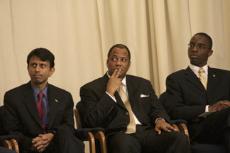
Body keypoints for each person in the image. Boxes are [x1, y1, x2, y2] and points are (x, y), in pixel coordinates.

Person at [77, 44, 190, 153]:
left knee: (179, 138)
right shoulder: (90, 89)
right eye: (114, 59)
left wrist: (160, 120)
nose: (118, 63)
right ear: (107, 62)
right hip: (118, 135)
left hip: (147, 133)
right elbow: (91, 121)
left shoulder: (142, 84)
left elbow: (157, 108)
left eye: (123, 60)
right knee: (125, 143)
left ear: (129, 64)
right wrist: (109, 93)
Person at [3, 48, 84, 153]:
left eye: (42, 65)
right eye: (33, 65)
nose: (37, 69)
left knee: (68, 137)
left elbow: (68, 126)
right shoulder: (13, 97)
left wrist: (52, 135)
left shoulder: (64, 96)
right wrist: (36, 143)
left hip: (58, 144)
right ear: (27, 68)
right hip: (30, 147)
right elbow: (11, 131)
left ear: (51, 71)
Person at [162, 32, 230, 151]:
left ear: (210, 52)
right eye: (191, 45)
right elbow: (174, 111)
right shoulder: (176, 79)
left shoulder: (225, 76)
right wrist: (208, 108)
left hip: (224, 127)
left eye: (200, 46)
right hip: (199, 129)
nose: (194, 49)